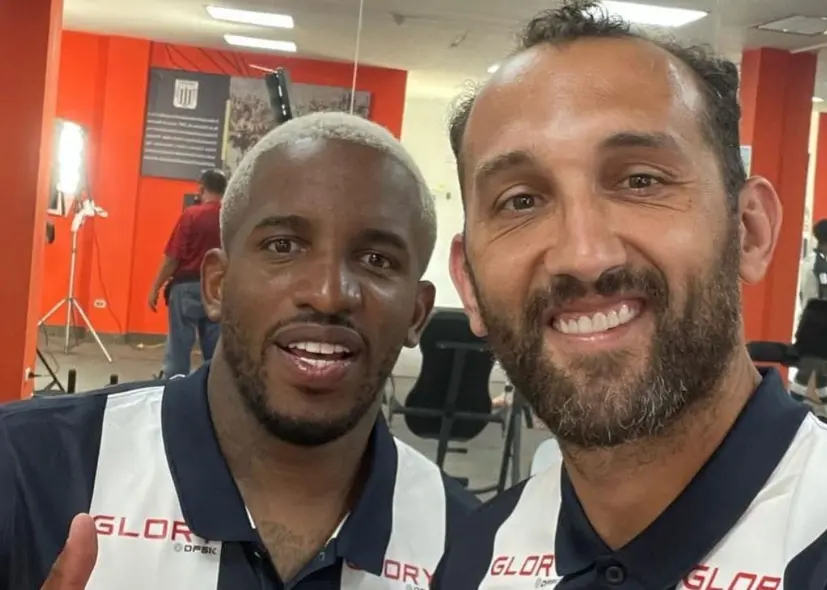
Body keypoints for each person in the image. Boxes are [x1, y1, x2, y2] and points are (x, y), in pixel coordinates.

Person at [432, 1, 827, 587]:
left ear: (750, 231)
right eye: (521, 201)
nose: (584, 254)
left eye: (640, 181)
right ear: (469, 283)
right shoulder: (479, 554)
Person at [0, 112, 478, 589]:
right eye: (284, 245)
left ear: (417, 313)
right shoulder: (25, 466)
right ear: (217, 285)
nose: (329, 294)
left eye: (376, 260)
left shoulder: (472, 550)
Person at [148, 169, 227, 378]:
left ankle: (174, 390)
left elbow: (172, 257)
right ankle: (215, 395)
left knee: (178, 348)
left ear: (201, 189)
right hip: (219, 289)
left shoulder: (192, 215)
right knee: (216, 352)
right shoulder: (230, 218)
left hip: (186, 288)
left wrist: (155, 287)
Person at [790, 218, 827, 418]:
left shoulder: (809, 261)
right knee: (807, 370)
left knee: (821, 369)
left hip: (809, 320)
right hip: (817, 325)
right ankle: (789, 411)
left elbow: (804, 294)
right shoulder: (822, 266)